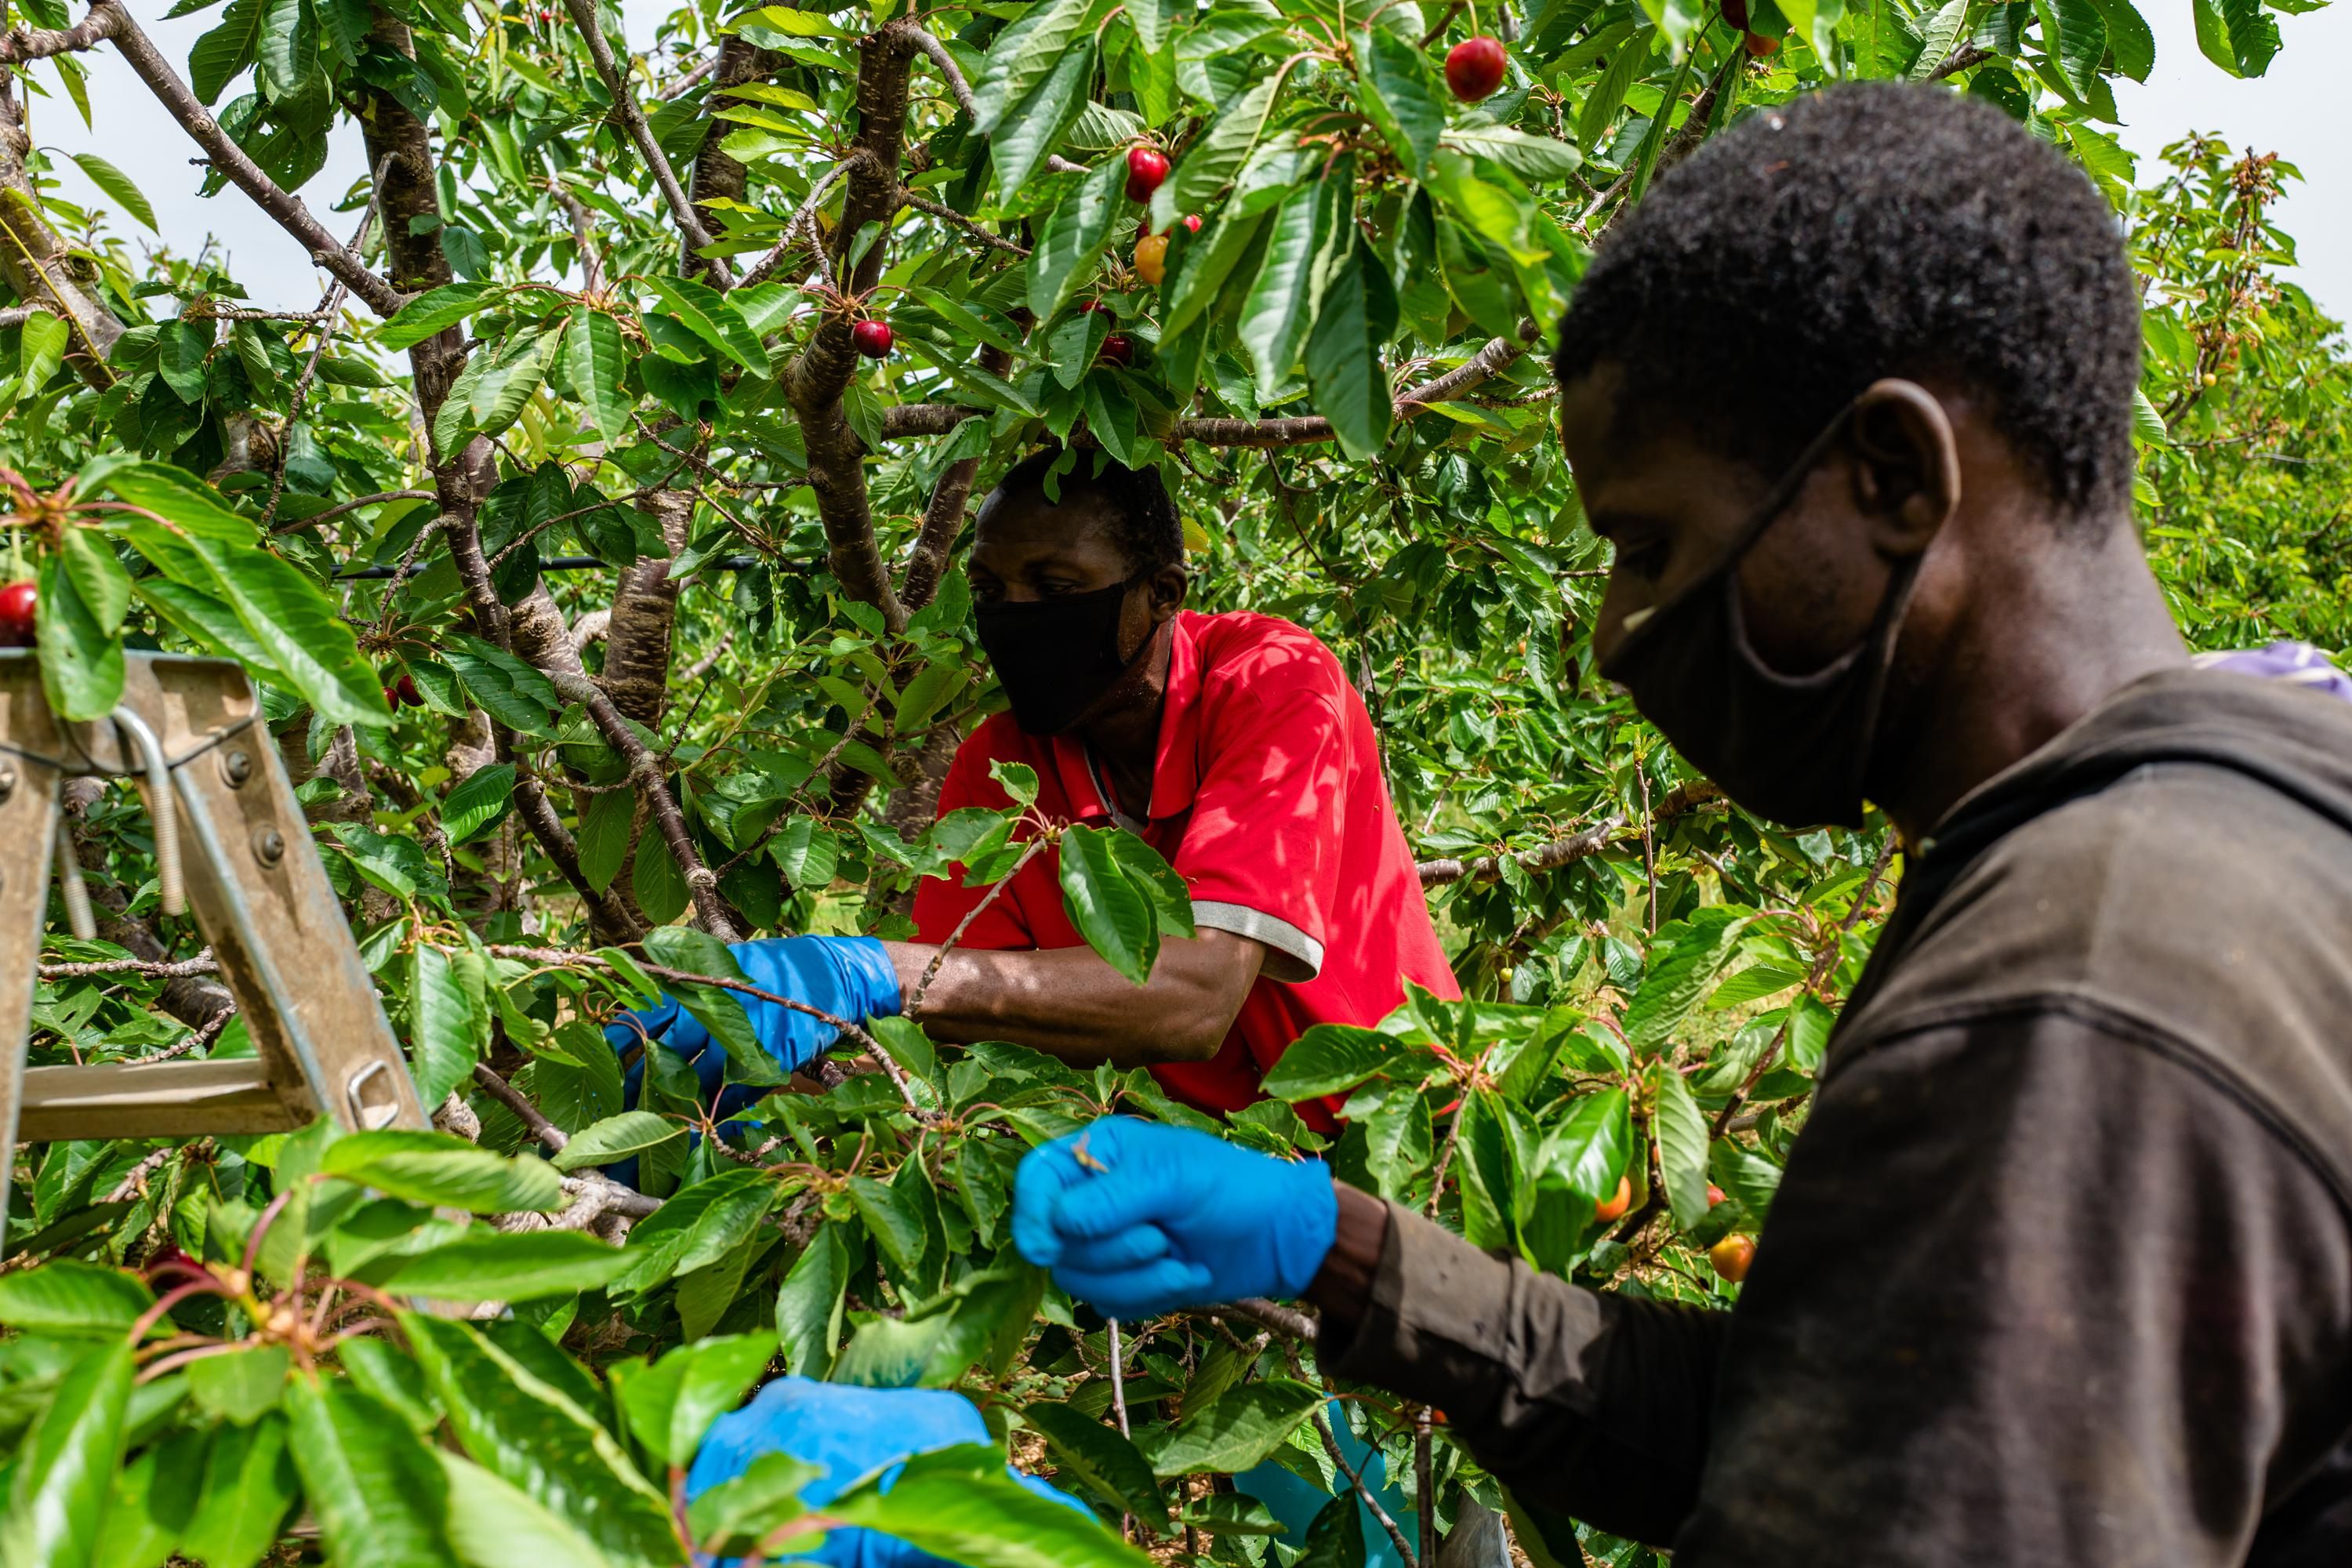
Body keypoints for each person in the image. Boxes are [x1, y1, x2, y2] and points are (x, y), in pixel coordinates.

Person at [1005, 83, 2352, 1566]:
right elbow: (1843, 1419)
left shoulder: (2079, 985)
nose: (1611, 634)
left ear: (1895, 478)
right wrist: (1337, 1250)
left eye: (1649, 547)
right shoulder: (2257, 799)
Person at [612, 446, 1458, 1132]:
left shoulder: (1275, 681)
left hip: (1404, 1153)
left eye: (1054, 590)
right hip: (1193, 1184)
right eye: (990, 590)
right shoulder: (1001, 768)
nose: (1015, 617)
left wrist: (861, 972)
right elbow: (964, 1028)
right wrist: (762, 1091)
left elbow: (1197, 996)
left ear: (1163, 595)